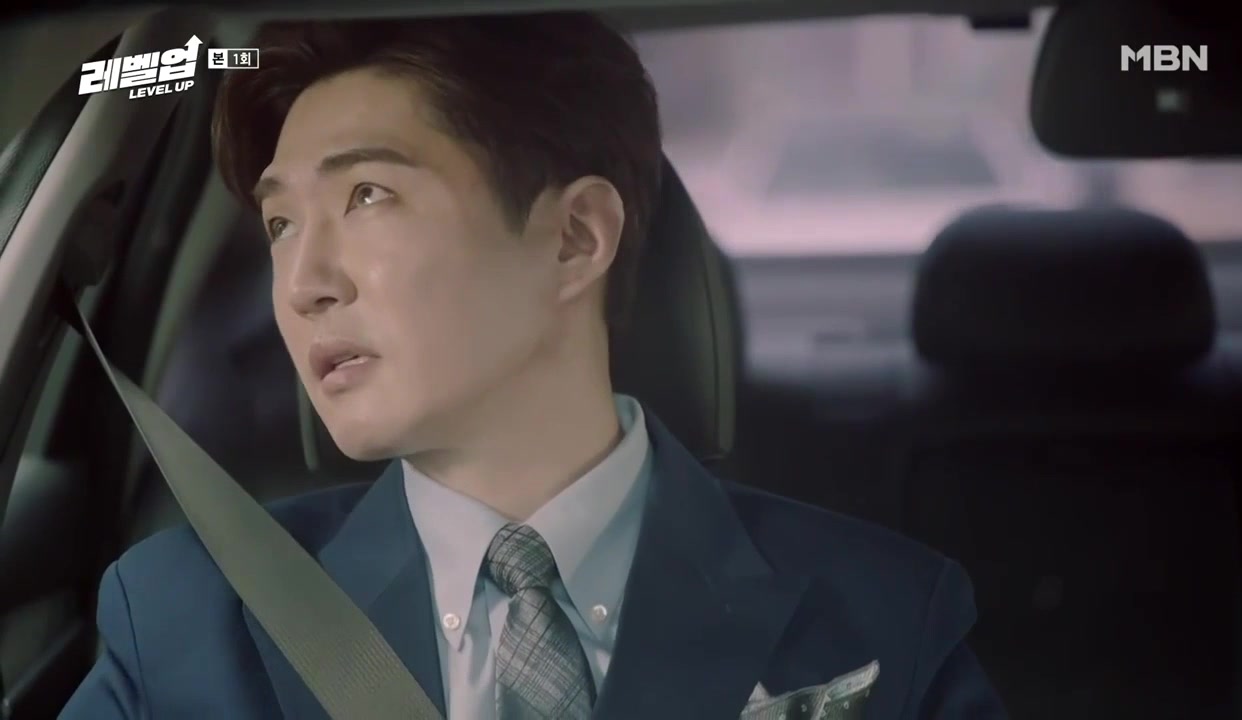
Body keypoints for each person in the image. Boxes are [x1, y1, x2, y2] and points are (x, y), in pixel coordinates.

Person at [60, 12, 1007, 720]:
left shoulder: (884, 614)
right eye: (279, 224)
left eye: (368, 195)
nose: (302, 284)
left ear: (573, 238)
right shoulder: (186, 619)